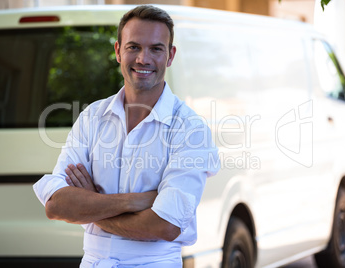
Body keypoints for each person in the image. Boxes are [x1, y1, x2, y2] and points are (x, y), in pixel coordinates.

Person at [33, 5, 219, 267]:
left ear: (170, 55)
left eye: (156, 48)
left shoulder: (190, 129)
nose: (143, 59)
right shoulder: (92, 118)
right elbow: (56, 205)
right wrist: (138, 201)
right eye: (134, 47)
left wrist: (91, 206)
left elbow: (166, 225)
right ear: (118, 51)